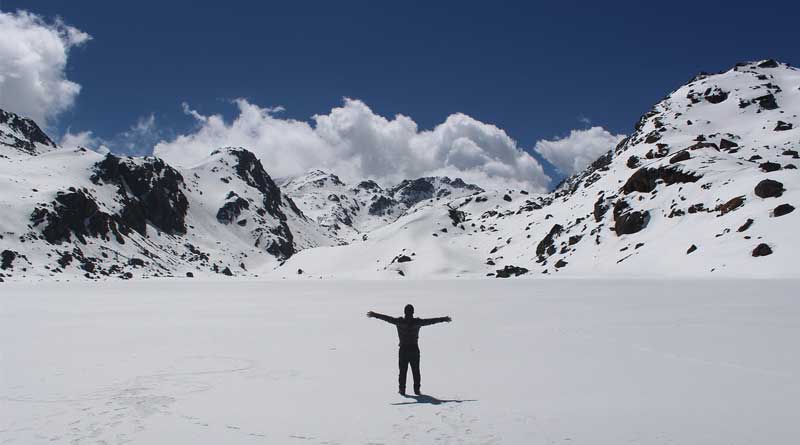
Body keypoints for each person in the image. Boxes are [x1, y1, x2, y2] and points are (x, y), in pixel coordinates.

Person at [366, 304, 452, 395]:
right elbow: (431, 321)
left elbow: (387, 318)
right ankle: (417, 390)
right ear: (413, 312)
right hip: (414, 349)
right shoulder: (417, 322)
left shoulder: (399, 322)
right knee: (416, 371)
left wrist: (375, 315)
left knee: (403, 371)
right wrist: (443, 319)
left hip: (403, 350)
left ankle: (402, 390)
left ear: (404, 312)